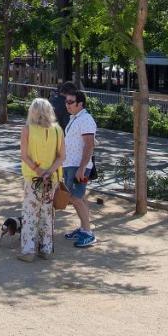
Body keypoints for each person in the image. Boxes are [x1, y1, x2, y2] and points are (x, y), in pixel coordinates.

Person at [18, 98, 64, 262]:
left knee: (30, 214)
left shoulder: (27, 129)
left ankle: (28, 250)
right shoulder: (58, 130)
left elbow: (24, 156)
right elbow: (61, 157)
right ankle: (45, 248)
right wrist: (48, 171)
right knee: (47, 213)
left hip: (33, 178)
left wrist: (39, 171)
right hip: (51, 179)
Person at [61, 89, 97, 248]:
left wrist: (82, 168)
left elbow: (90, 145)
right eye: (66, 102)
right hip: (71, 165)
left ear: (80, 104)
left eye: (70, 102)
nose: (67, 105)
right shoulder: (76, 118)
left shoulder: (86, 119)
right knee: (78, 198)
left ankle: (88, 233)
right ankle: (84, 228)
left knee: (75, 198)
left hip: (78, 167)